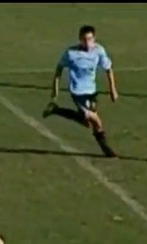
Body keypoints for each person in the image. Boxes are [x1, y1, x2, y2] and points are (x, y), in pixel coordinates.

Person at [43, 25, 119, 158]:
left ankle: (56, 110)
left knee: (86, 122)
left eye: (90, 39)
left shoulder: (99, 51)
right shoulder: (71, 53)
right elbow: (59, 69)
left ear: (94, 39)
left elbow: (108, 69)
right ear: (79, 39)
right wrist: (55, 89)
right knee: (96, 120)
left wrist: (113, 89)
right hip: (77, 92)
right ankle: (106, 149)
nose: (87, 43)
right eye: (84, 39)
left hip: (92, 91)